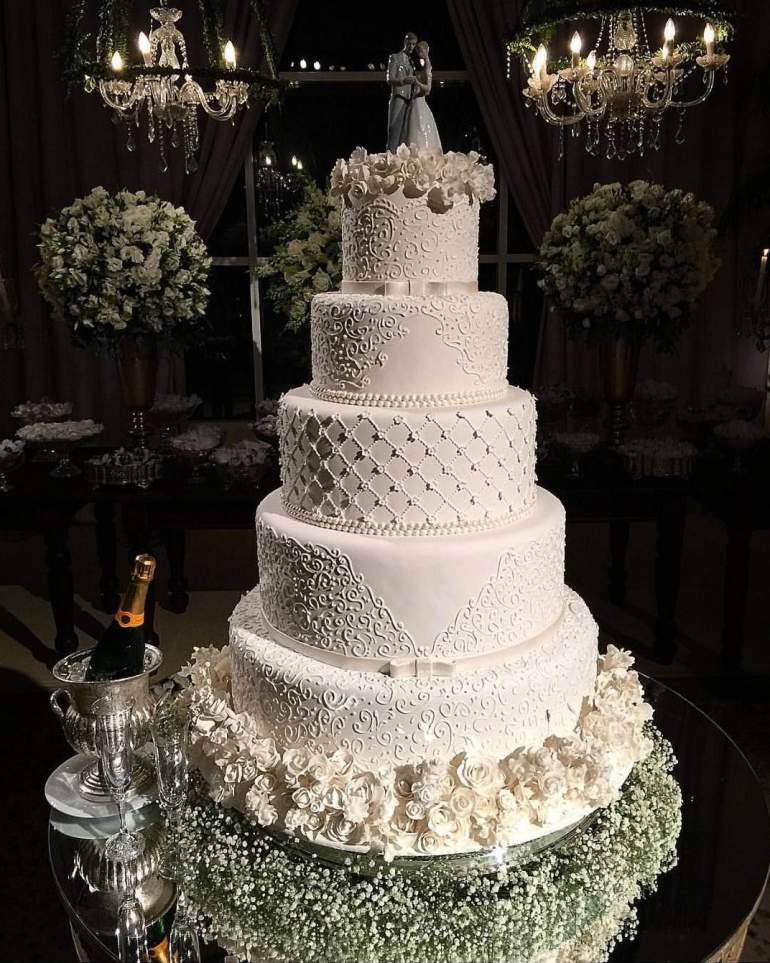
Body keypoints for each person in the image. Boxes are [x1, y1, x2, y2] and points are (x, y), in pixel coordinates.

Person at [403, 41, 442, 153]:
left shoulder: (428, 67)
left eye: (420, 51)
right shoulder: (423, 65)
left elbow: (428, 89)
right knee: (413, 126)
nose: (419, 53)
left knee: (419, 126)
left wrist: (417, 82)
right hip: (415, 100)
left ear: (426, 50)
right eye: (418, 51)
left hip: (420, 101)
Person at [386, 32, 418, 152]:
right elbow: (389, 79)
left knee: (405, 131)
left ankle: (399, 155)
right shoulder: (395, 57)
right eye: (409, 44)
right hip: (399, 96)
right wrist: (403, 80)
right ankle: (391, 153)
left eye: (413, 44)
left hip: (409, 98)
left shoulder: (412, 62)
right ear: (405, 43)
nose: (411, 47)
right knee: (394, 128)